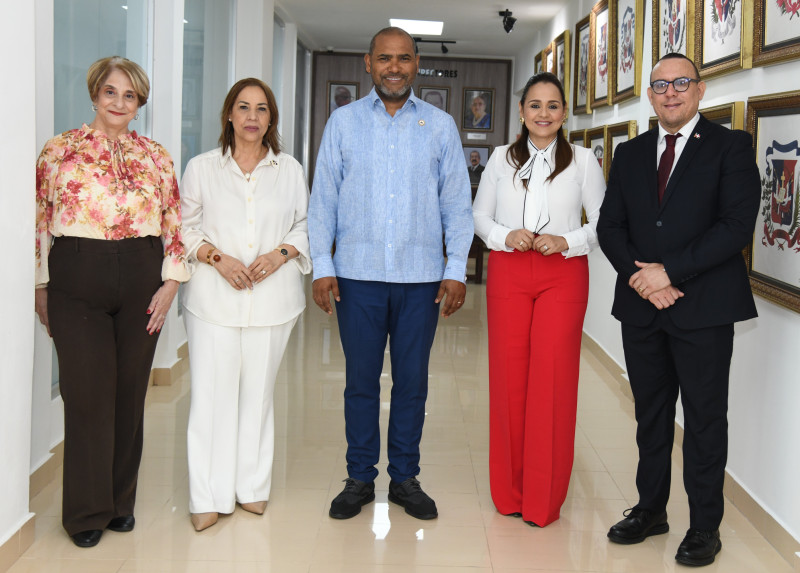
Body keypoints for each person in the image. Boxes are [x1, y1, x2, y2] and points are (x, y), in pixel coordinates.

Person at [597, 53, 760, 567]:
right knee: (650, 417)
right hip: (643, 309)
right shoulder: (630, 153)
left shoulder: (731, 147)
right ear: (649, 94)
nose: (671, 92)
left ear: (700, 89)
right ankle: (650, 510)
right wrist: (643, 280)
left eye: (681, 83)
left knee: (705, 421)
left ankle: (705, 527)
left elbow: (736, 226)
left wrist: (669, 272)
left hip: (704, 310)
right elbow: (610, 228)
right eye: (661, 85)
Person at [308, 26, 473, 521]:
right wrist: (322, 266)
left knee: (412, 384)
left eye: (403, 58)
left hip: (420, 279)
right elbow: (323, 203)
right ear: (368, 62)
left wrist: (455, 270)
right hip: (357, 277)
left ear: (416, 63)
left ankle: (404, 478)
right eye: (385, 58)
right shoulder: (342, 123)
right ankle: (359, 477)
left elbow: (457, 206)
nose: (394, 67)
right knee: (360, 382)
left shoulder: (441, 126)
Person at [34, 56, 189, 548]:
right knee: (86, 398)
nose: (119, 102)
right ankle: (85, 514)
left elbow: (174, 222)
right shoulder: (59, 150)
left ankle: (121, 502)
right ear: (94, 94)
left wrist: (171, 283)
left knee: (128, 395)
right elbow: (40, 220)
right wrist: (40, 286)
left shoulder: (157, 156)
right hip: (77, 274)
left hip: (143, 274)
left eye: (130, 95)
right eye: (110, 92)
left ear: (139, 102)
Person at [472, 72, 606, 528]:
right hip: (510, 269)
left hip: (563, 275)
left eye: (552, 105)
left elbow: (604, 223)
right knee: (509, 380)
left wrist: (566, 240)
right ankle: (508, 493)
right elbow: (479, 216)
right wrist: (503, 235)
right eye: (535, 105)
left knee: (552, 382)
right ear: (522, 112)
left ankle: (543, 500)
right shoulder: (498, 159)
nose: (543, 114)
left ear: (564, 113)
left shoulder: (585, 161)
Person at [180, 78, 311, 532]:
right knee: (211, 398)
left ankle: (251, 487)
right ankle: (207, 496)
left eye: (261, 108)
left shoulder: (289, 170)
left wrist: (281, 255)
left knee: (257, 396)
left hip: (273, 302)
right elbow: (183, 228)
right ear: (229, 116)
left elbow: (305, 222)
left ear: (271, 118)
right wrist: (218, 258)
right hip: (212, 300)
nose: (252, 116)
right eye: (243, 107)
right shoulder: (201, 168)